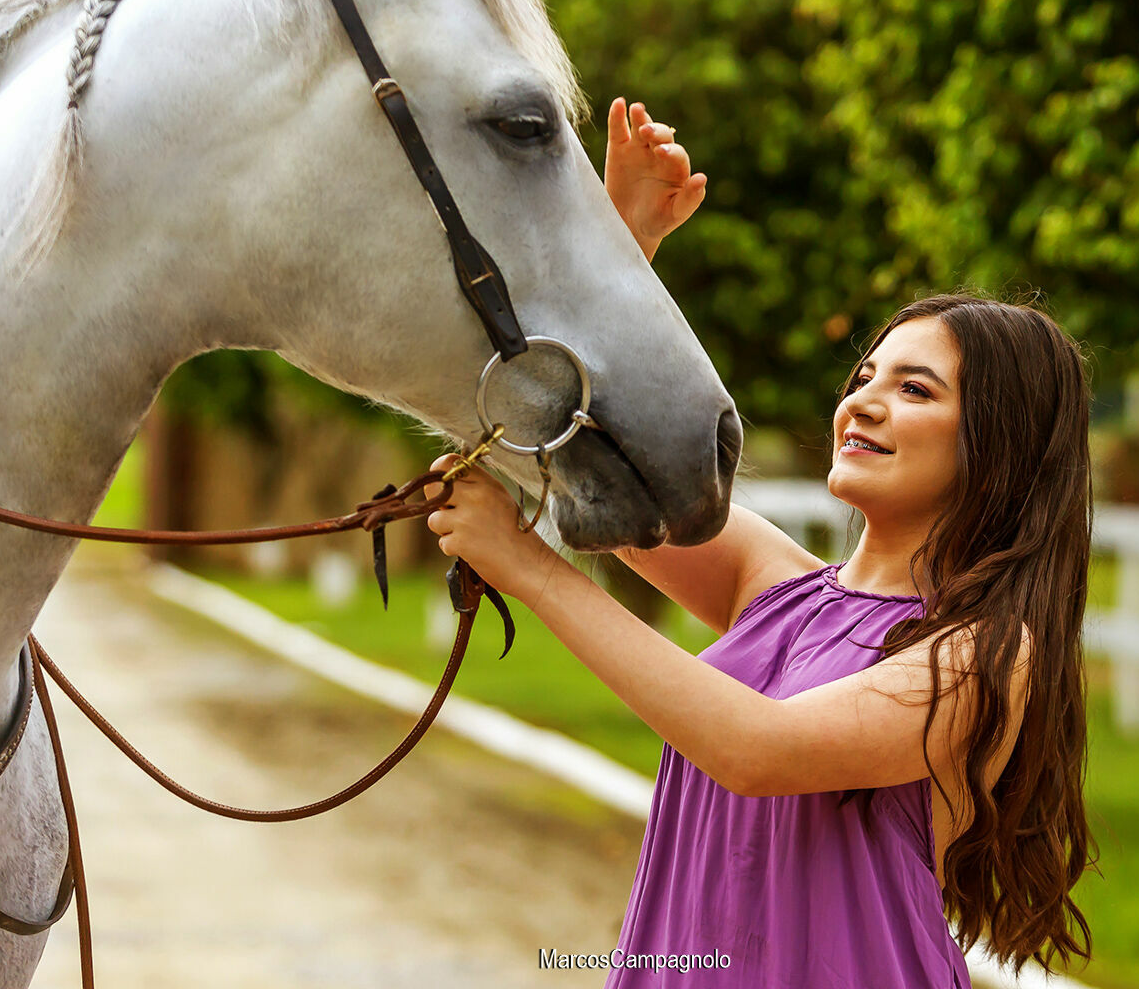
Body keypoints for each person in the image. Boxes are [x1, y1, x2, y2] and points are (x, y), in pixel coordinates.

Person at [425, 97, 1097, 987]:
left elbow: (757, 750)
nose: (861, 402)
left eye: (915, 390)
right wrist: (620, 250)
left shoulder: (981, 653)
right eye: (864, 376)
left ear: (998, 442)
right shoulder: (771, 582)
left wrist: (529, 570)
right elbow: (583, 455)